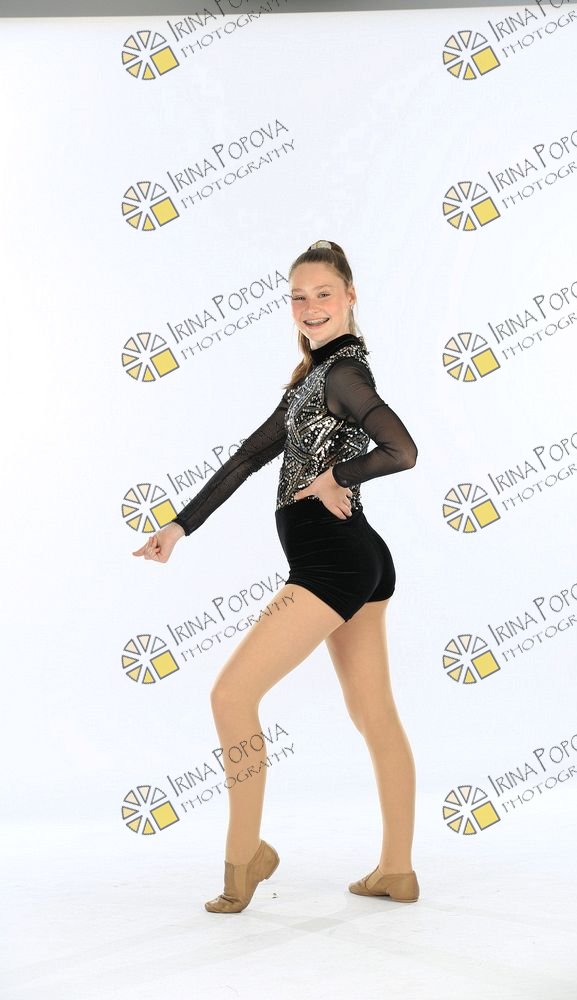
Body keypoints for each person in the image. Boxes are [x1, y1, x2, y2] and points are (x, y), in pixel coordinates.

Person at [133, 240, 420, 912]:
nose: (309, 306)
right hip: (357, 557)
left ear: (349, 297)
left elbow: (402, 450)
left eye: (323, 294)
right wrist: (180, 525)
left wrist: (337, 474)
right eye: (298, 296)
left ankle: (245, 859)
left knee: (231, 696)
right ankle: (396, 871)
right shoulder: (312, 380)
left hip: (331, 563)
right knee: (373, 713)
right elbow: (245, 458)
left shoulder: (344, 374)